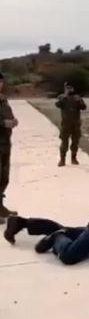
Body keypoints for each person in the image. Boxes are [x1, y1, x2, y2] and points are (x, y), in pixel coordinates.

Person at [0, 72, 19, 218]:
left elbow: (9, 116)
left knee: (4, 177)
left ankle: (0, 207)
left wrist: (13, 121)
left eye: (1, 82)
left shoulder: (3, 99)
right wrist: (3, 123)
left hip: (5, 142)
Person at [55, 83, 86, 167]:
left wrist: (79, 100)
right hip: (65, 124)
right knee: (64, 141)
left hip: (76, 123)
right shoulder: (62, 97)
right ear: (65, 89)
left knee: (75, 142)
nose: (69, 89)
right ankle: (62, 159)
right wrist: (65, 96)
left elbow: (83, 107)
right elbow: (57, 104)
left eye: (71, 88)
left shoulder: (77, 97)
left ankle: (73, 158)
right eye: (67, 88)